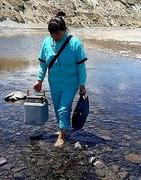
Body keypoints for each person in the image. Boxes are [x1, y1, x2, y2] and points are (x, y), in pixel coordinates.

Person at [34, 10, 87, 147]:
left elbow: (81, 66)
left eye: (58, 34)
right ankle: (63, 128)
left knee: (64, 108)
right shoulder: (46, 42)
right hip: (55, 83)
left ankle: (62, 135)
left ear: (64, 30)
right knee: (58, 108)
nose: (56, 37)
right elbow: (43, 64)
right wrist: (39, 80)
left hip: (71, 83)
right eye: (53, 34)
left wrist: (82, 84)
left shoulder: (75, 43)